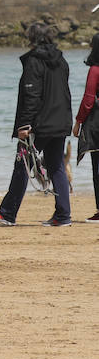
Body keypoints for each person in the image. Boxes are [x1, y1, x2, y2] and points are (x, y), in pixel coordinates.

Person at [0, 23, 72, 227]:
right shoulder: (62, 60)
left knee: (22, 165)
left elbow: (31, 95)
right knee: (57, 165)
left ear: (32, 39)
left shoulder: (33, 61)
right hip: (59, 122)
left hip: (38, 125)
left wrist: (25, 124)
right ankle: (63, 216)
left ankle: (7, 213)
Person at [73, 34, 99, 222]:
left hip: (96, 124)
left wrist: (78, 121)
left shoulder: (95, 70)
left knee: (97, 167)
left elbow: (89, 99)